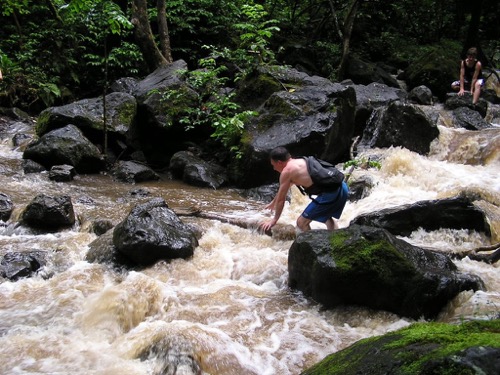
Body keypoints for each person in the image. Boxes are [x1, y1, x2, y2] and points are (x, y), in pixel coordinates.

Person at [260, 146, 349, 232]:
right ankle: (334, 239)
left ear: (279, 162)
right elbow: (282, 192)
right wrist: (273, 203)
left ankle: (311, 246)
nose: (274, 169)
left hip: (331, 193)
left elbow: (281, 200)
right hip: (342, 186)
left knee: (301, 223)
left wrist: (274, 220)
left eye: (273, 165)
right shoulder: (300, 161)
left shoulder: (287, 172)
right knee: (325, 216)